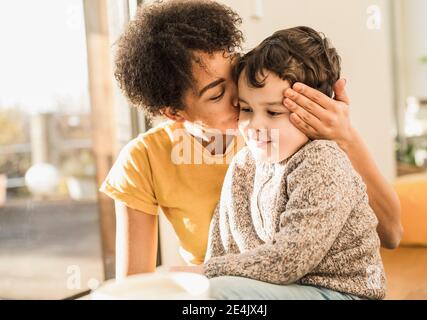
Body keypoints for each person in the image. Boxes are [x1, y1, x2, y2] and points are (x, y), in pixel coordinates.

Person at [99, 0, 402, 280]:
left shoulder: (287, 131)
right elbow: (133, 288)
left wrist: (346, 137)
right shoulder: (144, 160)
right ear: (175, 112)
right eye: (217, 94)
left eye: (236, 71)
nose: (240, 94)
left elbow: (391, 234)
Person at [202, 26, 386, 300]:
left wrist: (201, 273)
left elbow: (289, 260)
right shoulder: (243, 166)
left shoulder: (323, 160)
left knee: (214, 292)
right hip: (285, 290)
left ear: (314, 110)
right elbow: (221, 248)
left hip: (342, 294)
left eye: (274, 112)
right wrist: (193, 278)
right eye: (247, 109)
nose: (255, 125)